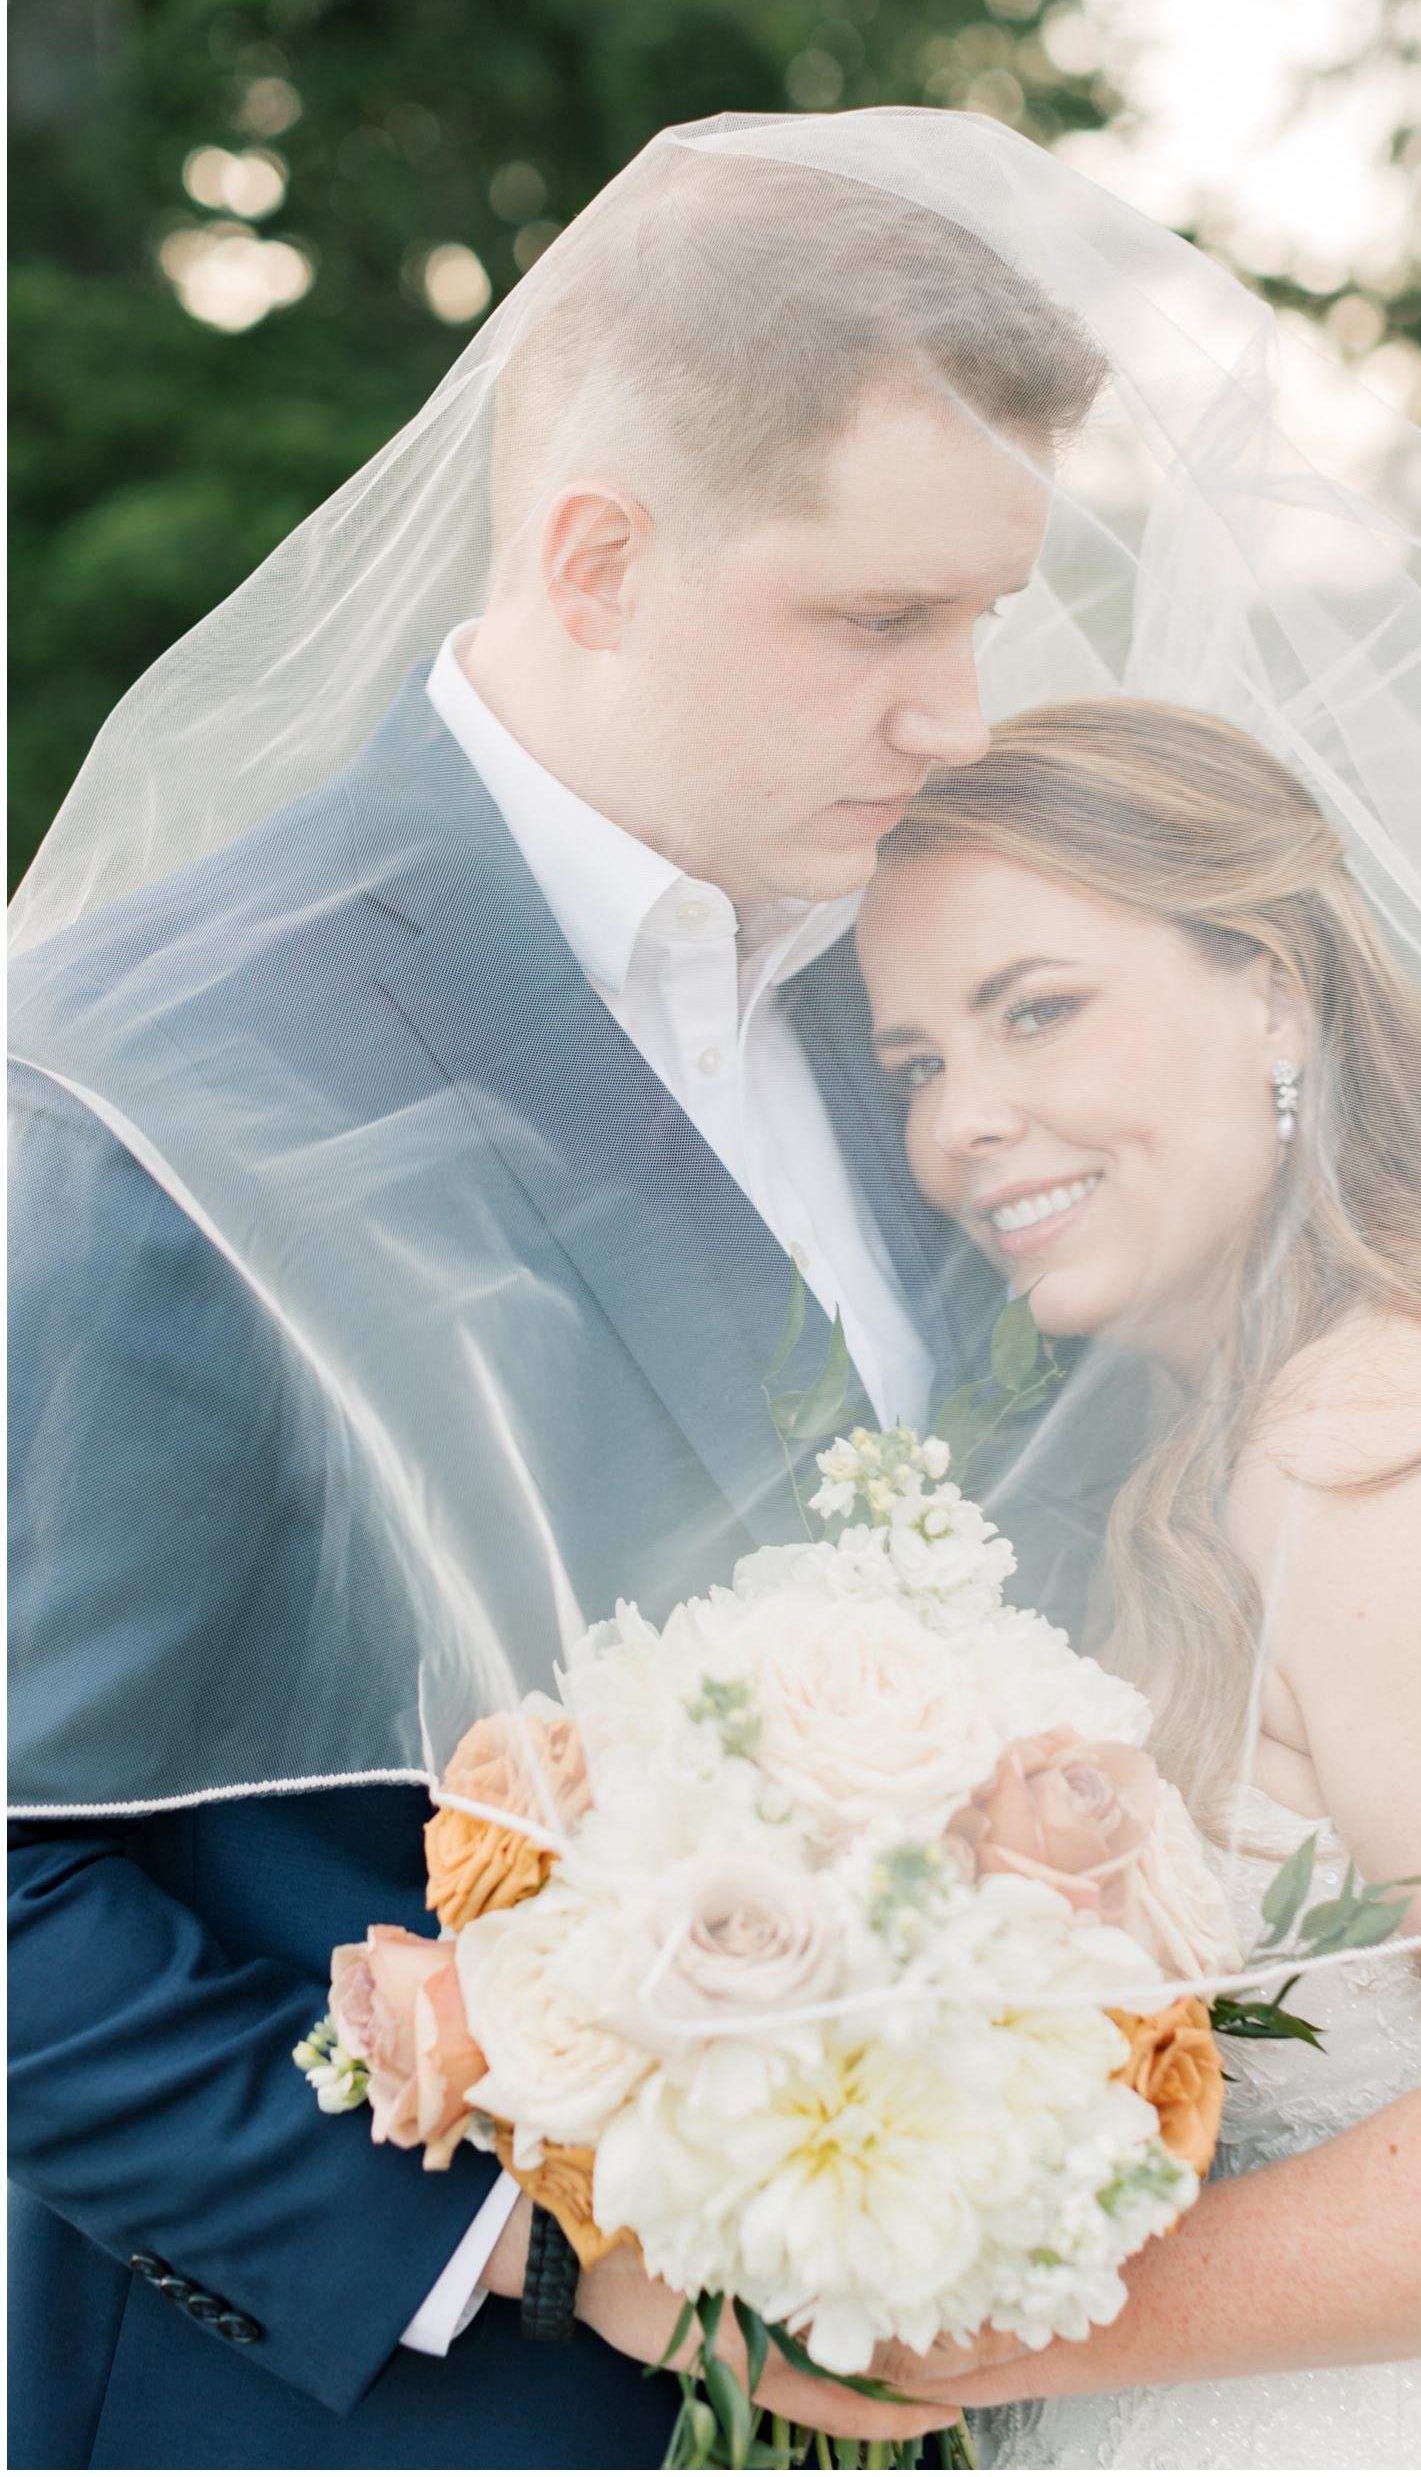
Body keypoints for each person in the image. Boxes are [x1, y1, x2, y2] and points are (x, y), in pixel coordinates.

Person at [7, 136, 1106, 2469]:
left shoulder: (958, 1008)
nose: (961, 714)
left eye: (984, 619)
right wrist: (538, 2238)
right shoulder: (157, 1087)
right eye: (877, 621)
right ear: (596, 559)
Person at [841, 697, 1421, 2467]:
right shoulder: (1203, 1458)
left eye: (1037, 1012)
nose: (964, 1125)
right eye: (916, 1064)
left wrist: (971, 2332)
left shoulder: (1388, 1434)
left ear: (1274, 989)